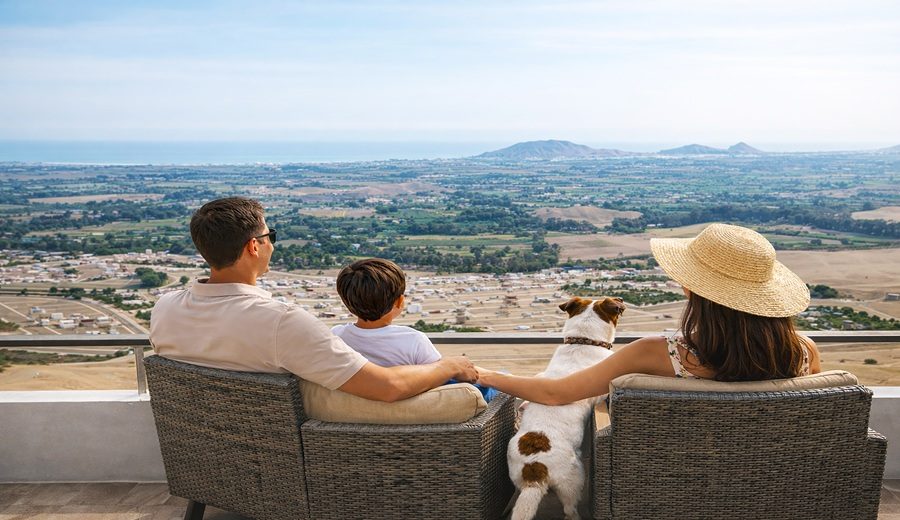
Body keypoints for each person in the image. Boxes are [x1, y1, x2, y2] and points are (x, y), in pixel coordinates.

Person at [150, 197, 477, 402]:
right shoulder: (281, 322)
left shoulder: (164, 309)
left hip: (200, 450)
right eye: (269, 237)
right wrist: (449, 365)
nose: (271, 245)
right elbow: (387, 387)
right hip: (279, 457)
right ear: (253, 246)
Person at [477, 223, 821, 405]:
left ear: (691, 288)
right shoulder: (803, 351)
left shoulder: (659, 352)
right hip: (776, 482)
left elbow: (556, 393)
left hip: (673, 484)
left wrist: (486, 375)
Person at [332, 257, 497, 401]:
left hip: (360, 410)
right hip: (414, 412)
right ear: (399, 302)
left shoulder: (336, 335)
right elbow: (439, 378)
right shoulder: (413, 339)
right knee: (494, 388)